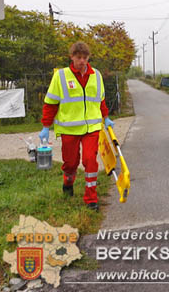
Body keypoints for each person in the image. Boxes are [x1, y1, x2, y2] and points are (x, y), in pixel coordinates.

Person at [39, 41, 114, 211]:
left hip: (92, 127)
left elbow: (100, 99)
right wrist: (45, 126)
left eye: (85, 57)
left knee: (90, 161)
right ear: (71, 57)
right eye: (78, 57)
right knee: (71, 163)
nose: (82, 61)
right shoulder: (60, 76)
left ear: (88, 57)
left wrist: (106, 117)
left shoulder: (96, 75)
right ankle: (68, 182)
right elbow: (50, 103)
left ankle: (91, 198)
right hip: (69, 128)